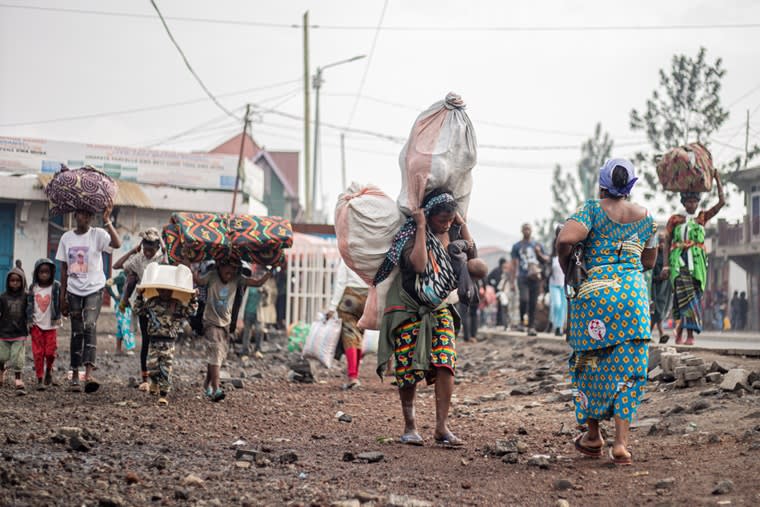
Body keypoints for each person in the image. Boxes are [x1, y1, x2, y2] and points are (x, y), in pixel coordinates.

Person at [557, 158, 657, 466]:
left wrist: (567, 266)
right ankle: (621, 445)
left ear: (602, 184)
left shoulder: (591, 209)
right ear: (630, 187)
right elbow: (650, 262)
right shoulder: (647, 218)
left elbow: (565, 238)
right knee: (629, 369)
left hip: (596, 296)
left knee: (590, 362)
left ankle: (593, 436)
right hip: (633, 298)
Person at [376, 189, 474, 447]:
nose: (447, 224)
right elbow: (419, 265)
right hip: (408, 309)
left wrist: (461, 223)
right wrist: (420, 227)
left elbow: (473, 253)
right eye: (443, 219)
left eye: (451, 219)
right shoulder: (410, 234)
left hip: (440, 309)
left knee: (445, 361)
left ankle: (442, 427)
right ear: (429, 216)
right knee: (407, 367)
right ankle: (410, 426)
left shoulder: (452, 232)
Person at [56, 206, 121, 392]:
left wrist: (107, 220)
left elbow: (116, 244)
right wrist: (62, 298)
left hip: (94, 289)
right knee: (76, 331)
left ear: (92, 218)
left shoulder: (98, 234)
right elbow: (63, 269)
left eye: (88, 214)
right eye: (81, 213)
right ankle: (75, 374)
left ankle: (89, 373)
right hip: (73, 291)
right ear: (75, 215)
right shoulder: (66, 238)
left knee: (89, 325)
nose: (84, 217)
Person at [662, 173, 725, 345]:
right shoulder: (675, 219)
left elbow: (721, 204)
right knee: (683, 298)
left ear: (698, 202)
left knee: (694, 299)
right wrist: (666, 266)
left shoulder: (701, 217)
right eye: (689, 201)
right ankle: (686, 335)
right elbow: (667, 242)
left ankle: (683, 332)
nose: (692, 204)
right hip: (679, 263)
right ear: (683, 202)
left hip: (697, 266)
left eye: (695, 201)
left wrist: (718, 181)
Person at [196, 261, 270, 402]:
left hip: (225, 323)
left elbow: (257, 283)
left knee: (217, 355)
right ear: (220, 266)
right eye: (227, 271)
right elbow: (199, 280)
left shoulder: (237, 278)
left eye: (233, 271)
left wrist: (269, 273)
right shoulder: (212, 276)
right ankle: (216, 389)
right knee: (216, 351)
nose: (229, 274)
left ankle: (207, 384)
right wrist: (188, 263)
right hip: (210, 321)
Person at [133, 278, 198, 406]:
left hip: (169, 342)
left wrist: (194, 298)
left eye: (167, 290)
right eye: (162, 290)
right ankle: (155, 382)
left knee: (166, 368)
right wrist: (139, 296)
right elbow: (138, 310)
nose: (165, 293)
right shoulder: (151, 302)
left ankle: (163, 394)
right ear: (157, 290)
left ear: (172, 291)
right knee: (152, 366)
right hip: (154, 340)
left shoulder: (177, 304)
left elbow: (191, 311)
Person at [115, 229, 163, 390]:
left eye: (151, 249)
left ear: (157, 248)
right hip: (144, 304)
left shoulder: (161, 259)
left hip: (160, 304)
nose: (148, 253)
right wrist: (133, 250)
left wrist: (162, 242)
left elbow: (172, 261)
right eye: (145, 249)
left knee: (159, 341)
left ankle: (158, 377)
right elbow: (117, 265)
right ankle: (145, 377)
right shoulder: (138, 259)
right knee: (146, 340)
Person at [327, 259, 369, 389]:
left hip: (350, 297)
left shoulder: (348, 254)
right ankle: (354, 374)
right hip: (367, 298)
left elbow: (340, 282)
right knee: (359, 336)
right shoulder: (370, 253)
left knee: (350, 337)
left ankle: (352, 376)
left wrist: (332, 307)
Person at [26, 259, 62, 389]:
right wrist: (29, 321)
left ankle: (49, 370)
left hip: (51, 325)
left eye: (47, 272)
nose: (44, 275)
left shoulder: (56, 286)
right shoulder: (33, 287)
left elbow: (61, 301)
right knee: (38, 353)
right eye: (41, 272)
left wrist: (62, 313)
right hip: (36, 325)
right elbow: (29, 304)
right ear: (37, 273)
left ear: (52, 273)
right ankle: (40, 378)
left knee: (50, 352)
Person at [511, 223, 548, 336]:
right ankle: (522, 321)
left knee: (533, 303)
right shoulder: (517, 246)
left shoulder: (537, 244)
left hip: (535, 278)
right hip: (522, 277)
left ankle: (531, 327)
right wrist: (513, 280)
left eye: (529, 229)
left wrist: (538, 253)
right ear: (522, 231)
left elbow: (546, 259)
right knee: (524, 299)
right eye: (525, 229)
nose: (527, 231)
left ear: (532, 231)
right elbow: (514, 264)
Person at [0, 268, 29, 392]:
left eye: (18, 280)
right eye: (12, 280)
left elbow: (30, 312)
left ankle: (18, 379)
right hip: (3, 332)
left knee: (18, 358)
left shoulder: (26, 297)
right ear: (8, 282)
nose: (15, 283)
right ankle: (1, 370)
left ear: (22, 282)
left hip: (19, 332)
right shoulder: (2, 297)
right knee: (1, 356)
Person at [650, 232, 673, 344]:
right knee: (655, 312)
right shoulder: (653, 255)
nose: (663, 244)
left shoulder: (668, 257)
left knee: (659, 312)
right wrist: (658, 277)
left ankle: (652, 334)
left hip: (665, 289)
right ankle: (660, 333)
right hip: (654, 288)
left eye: (665, 242)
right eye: (661, 242)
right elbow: (650, 272)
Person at [106, 271, 134, 355]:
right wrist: (114, 296)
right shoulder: (122, 277)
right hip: (122, 305)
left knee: (121, 328)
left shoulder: (131, 276)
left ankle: (118, 350)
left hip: (127, 305)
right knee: (126, 327)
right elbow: (107, 284)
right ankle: (129, 348)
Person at [548, 225, 567, 336]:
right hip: (554, 284)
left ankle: (559, 327)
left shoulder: (567, 255)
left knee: (563, 307)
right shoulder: (552, 258)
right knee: (557, 305)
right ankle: (555, 324)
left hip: (564, 284)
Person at [240, 286, 262, 358]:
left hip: (258, 314)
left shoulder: (261, 288)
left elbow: (265, 302)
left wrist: (264, 293)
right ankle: (245, 351)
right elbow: (243, 301)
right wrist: (241, 316)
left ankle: (257, 350)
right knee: (247, 333)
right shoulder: (248, 287)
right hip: (247, 312)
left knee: (259, 331)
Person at [487, 258, 509, 327]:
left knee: (503, 307)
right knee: (500, 307)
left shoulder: (505, 271)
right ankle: (499, 322)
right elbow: (488, 278)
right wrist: (493, 286)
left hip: (504, 291)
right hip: (498, 291)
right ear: (503, 263)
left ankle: (502, 322)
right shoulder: (496, 270)